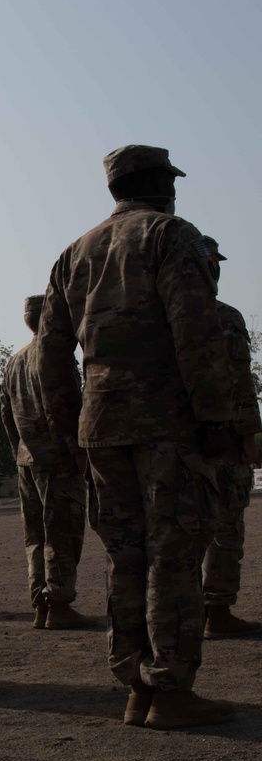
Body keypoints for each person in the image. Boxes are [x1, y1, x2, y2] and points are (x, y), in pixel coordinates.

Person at [37, 144, 233, 730]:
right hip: (167, 425)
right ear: (163, 185)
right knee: (174, 554)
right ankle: (169, 687)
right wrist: (218, 420)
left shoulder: (75, 252)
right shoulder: (171, 236)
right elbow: (197, 333)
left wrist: (70, 426)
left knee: (126, 556)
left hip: (101, 427)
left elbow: (50, 354)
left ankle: (135, 686)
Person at [0, 295, 90, 630]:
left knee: (36, 537)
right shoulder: (55, 356)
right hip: (57, 460)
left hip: (27, 460)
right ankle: (60, 605)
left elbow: (6, 413)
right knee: (62, 533)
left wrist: (18, 449)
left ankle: (41, 604)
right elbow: (62, 407)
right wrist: (77, 450)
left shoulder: (14, 361)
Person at [199, 238, 262, 638]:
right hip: (221, 440)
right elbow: (239, 382)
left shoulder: (159, 316)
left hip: (173, 442)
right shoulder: (222, 317)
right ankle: (217, 612)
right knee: (226, 529)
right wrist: (249, 435)